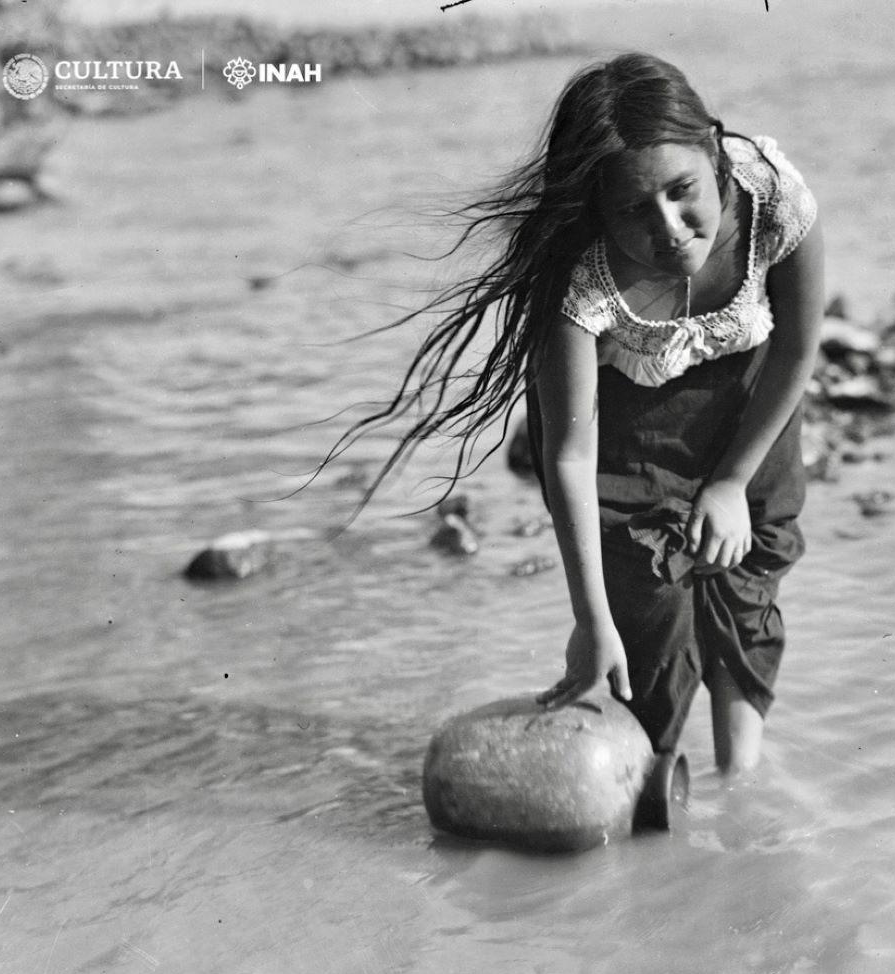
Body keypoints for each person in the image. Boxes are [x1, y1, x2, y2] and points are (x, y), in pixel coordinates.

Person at [329, 52, 824, 773]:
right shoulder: (578, 279)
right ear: (598, 209)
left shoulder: (772, 198)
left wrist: (729, 482)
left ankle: (739, 792)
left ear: (714, 154)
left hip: (752, 404)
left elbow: (799, 348)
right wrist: (591, 621)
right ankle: (651, 782)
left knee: (746, 578)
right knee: (649, 614)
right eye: (634, 209)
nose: (669, 227)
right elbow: (568, 454)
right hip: (629, 426)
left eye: (682, 191)